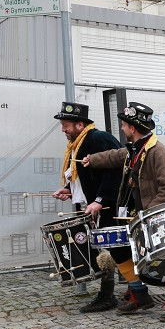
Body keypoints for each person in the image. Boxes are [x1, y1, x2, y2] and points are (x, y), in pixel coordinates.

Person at [81, 103, 165, 322]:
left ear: (133, 127)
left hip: (151, 216)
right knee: (119, 250)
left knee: (158, 260)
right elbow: (115, 155)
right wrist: (91, 160)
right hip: (134, 214)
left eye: (124, 125)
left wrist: (148, 215)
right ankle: (138, 293)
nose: (122, 129)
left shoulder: (157, 151)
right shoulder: (137, 147)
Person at [50, 101, 123, 313]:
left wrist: (100, 200)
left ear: (80, 125)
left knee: (113, 250)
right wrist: (69, 190)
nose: (63, 130)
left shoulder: (99, 139)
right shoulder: (77, 144)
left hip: (112, 205)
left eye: (66, 125)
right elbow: (89, 177)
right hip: (99, 205)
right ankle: (120, 292)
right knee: (108, 250)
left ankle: (112, 295)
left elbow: (116, 172)